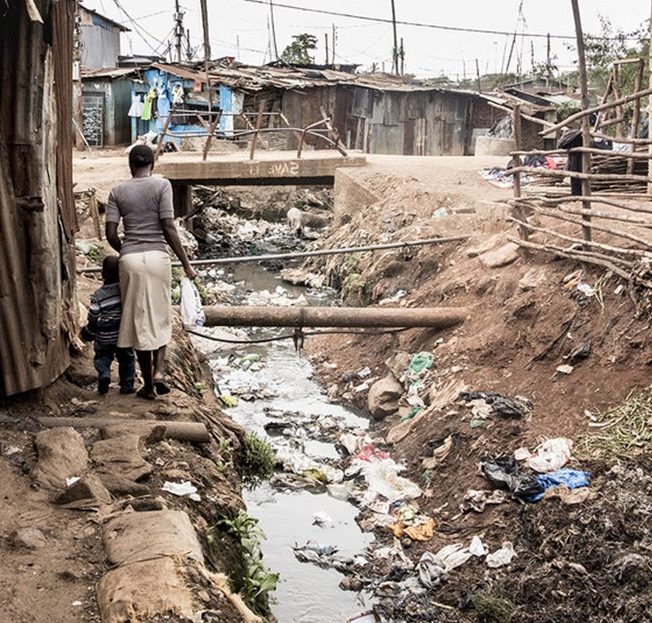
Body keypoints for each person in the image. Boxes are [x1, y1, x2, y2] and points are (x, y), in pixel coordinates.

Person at [105, 144, 197, 400]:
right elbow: (168, 226)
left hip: (130, 260)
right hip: (158, 258)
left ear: (131, 165)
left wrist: (126, 250)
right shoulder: (162, 186)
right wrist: (187, 263)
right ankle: (159, 372)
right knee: (160, 314)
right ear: (152, 164)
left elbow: (111, 234)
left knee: (138, 320)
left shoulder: (117, 191)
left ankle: (147, 387)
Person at [86, 256, 136, 395]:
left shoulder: (98, 295)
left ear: (102, 274)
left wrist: (91, 328)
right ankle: (127, 385)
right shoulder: (125, 291)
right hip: (123, 334)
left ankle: (104, 374)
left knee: (102, 356)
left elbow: (94, 314)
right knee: (127, 359)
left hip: (104, 335)